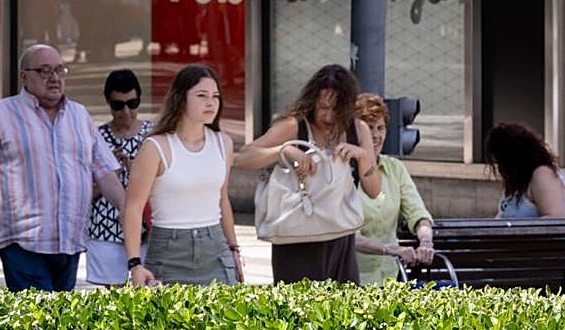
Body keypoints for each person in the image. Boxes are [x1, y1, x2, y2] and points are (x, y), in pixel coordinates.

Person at [0, 44, 125, 292]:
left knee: (59, 324)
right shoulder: (0, 114)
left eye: (59, 70)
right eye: (45, 71)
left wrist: (127, 209)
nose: (55, 78)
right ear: (24, 76)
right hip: (23, 243)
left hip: (69, 243)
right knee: (39, 323)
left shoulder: (79, 116)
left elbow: (105, 172)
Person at [233, 64, 380, 283]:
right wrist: (284, 150)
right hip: (294, 237)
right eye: (323, 107)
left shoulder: (358, 129)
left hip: (339, 237)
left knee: (344, 311)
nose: (328, 116)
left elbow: (374, 190)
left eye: (336, 109)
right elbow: (242, 158)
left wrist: (363, 156)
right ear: (312, 101)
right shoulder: (294, 126)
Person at [124, 64, 243, 287]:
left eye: (215, 96)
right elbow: (133, 207)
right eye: (201, 95)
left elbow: (222, 199)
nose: (211, 102)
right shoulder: (155, 147)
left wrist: (234, 248)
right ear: (181, 98)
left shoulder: (222, 142)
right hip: (168, 249)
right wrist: (135, 264)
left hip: (215, 247)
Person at [351, 93, 435, 285]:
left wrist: (426, 242)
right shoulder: (344, 170)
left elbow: (418, 213)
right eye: (369, 128)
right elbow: (347, 236)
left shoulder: (395, 168)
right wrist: (389, 249)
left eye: (380, 128)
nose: (375, 135)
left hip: (390, 278)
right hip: (353, 280)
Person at [86, 69, 153, 285]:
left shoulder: (153, 135)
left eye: (132, 104)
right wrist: (109, 173)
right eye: (118, 105)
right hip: (106, 231)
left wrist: (138, 171)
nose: (126, 111)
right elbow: (84, 191)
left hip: (146, 230)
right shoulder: (97, 137)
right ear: (108, 102)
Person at [484, 122, 565, 218]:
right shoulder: (519, 183)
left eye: (501, 162)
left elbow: (555, 219)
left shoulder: (542, 174)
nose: (500, 168)